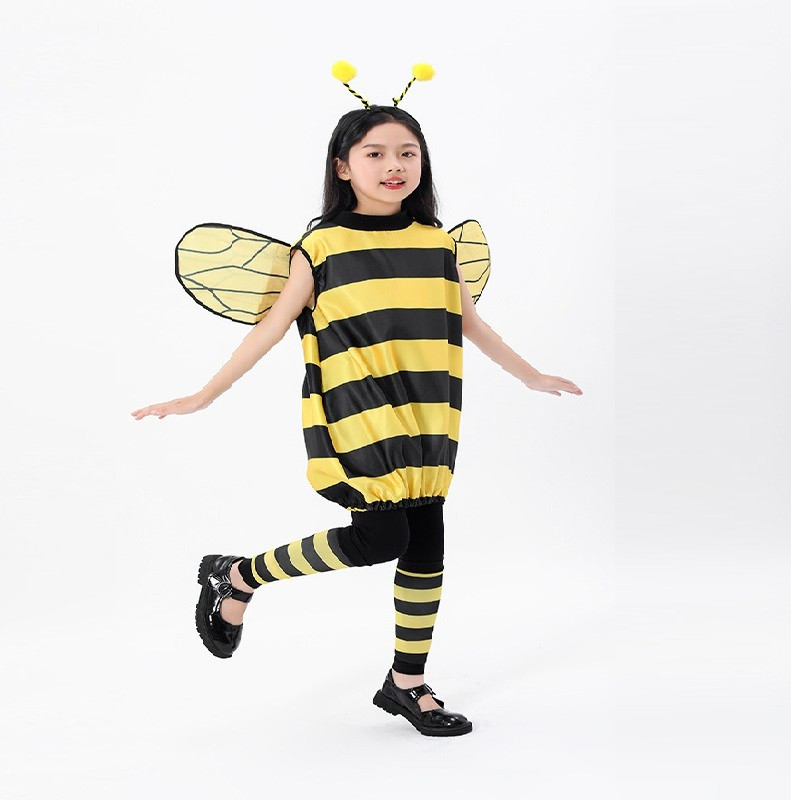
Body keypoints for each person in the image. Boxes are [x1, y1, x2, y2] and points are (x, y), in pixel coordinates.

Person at [131, 64, 582, 737]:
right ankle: (240, 575)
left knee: (425, 544)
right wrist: (204, 395)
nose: (394, 166)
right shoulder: (322, 246)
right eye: (375, 154)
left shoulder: (436, 243)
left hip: (430, 409)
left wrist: (531, 375)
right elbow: (271, 327)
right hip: (359, 412)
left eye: (407, 153)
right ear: (343, 167)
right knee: (381, 538)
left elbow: (470, 323)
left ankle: (407, 684)